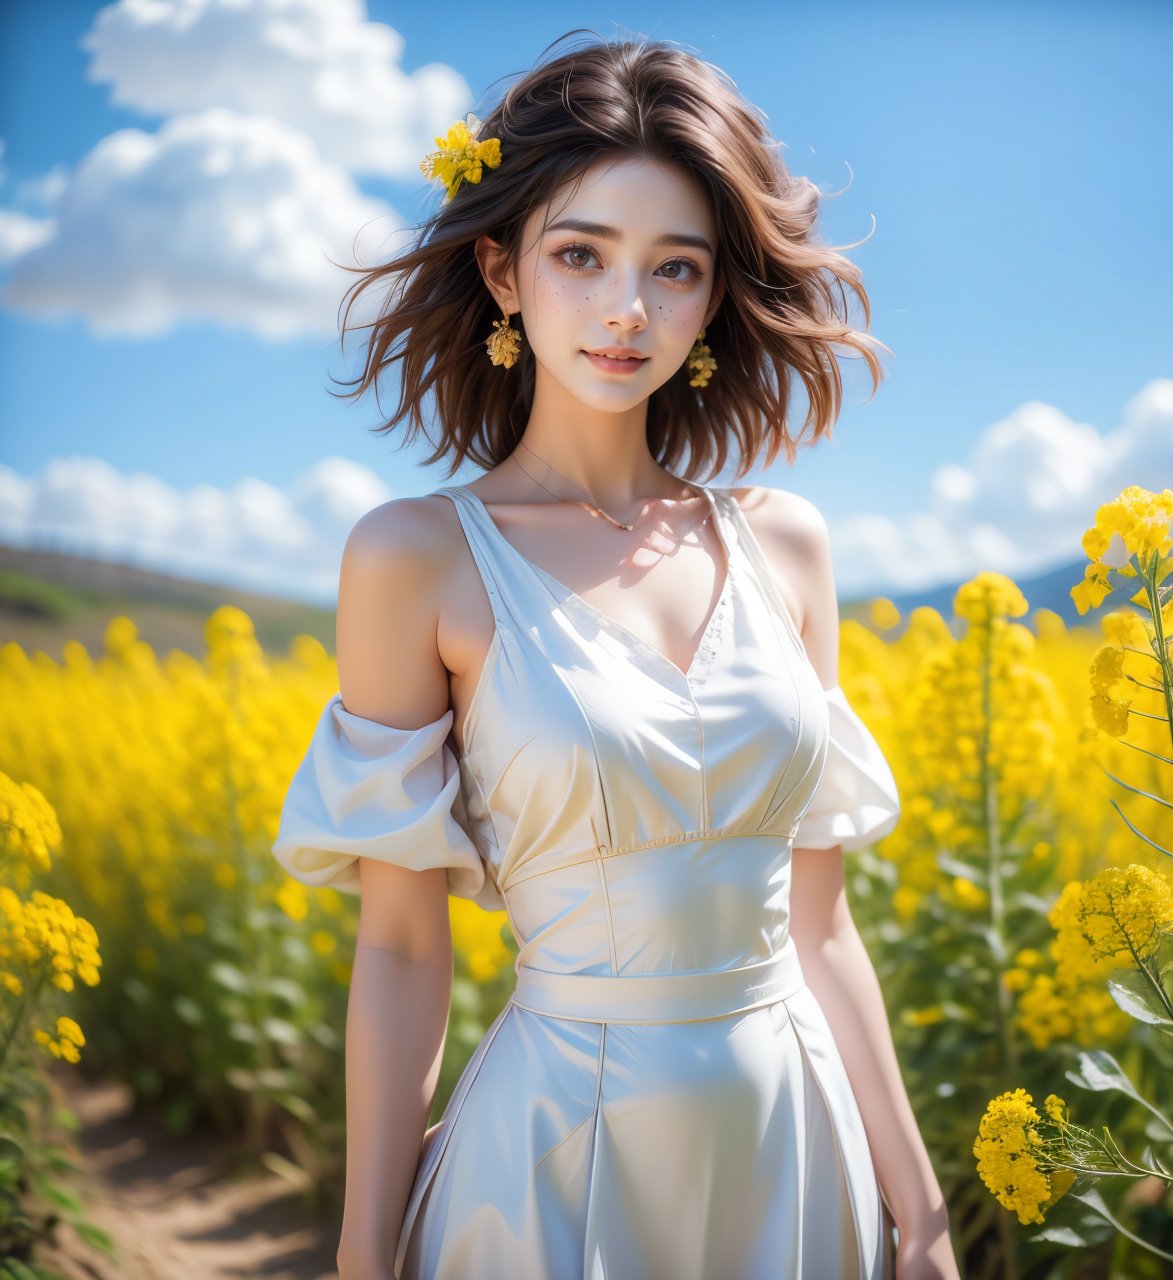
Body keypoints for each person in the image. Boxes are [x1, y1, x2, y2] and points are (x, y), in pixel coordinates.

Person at [272, 29, 961, 1280]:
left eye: (674, 267)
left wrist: (921, 1214)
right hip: (552, 1150)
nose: (625, 308)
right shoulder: (413, 558)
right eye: (580, 253)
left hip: (790, 1140)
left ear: (710, 297)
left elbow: (819, 928)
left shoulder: (787, 546)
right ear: (501, 270)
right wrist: (361, 1254)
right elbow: (401, 946)